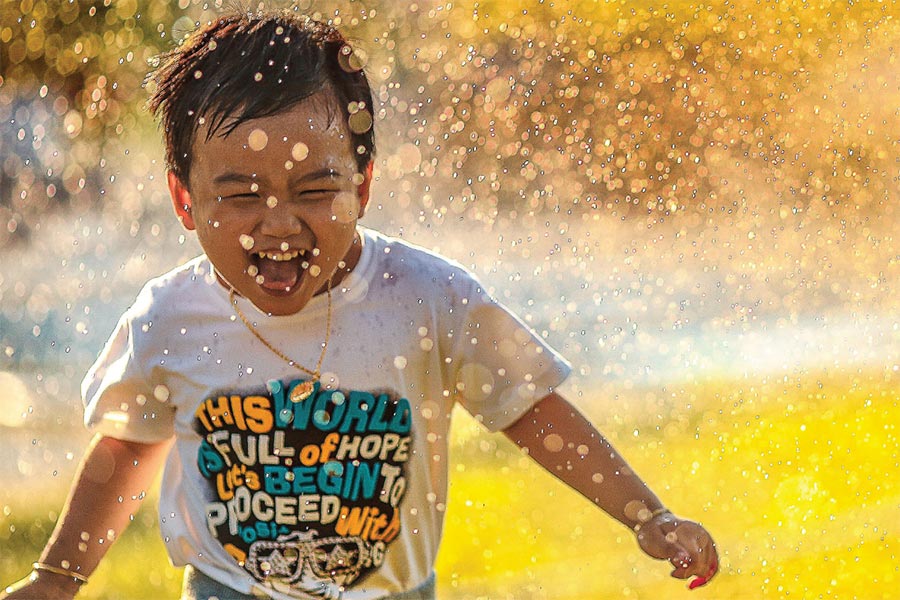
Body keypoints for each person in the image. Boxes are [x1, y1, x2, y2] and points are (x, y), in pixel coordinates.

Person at [1, 9, 717, 600]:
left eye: (315, 190)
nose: (278, 224)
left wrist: (645, 514)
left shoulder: (427, 298)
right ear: (185, 199)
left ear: (363, 185)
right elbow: (128, 446)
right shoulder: (171, 319)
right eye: (242, 194)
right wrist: (57, 577)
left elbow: (530, 407)